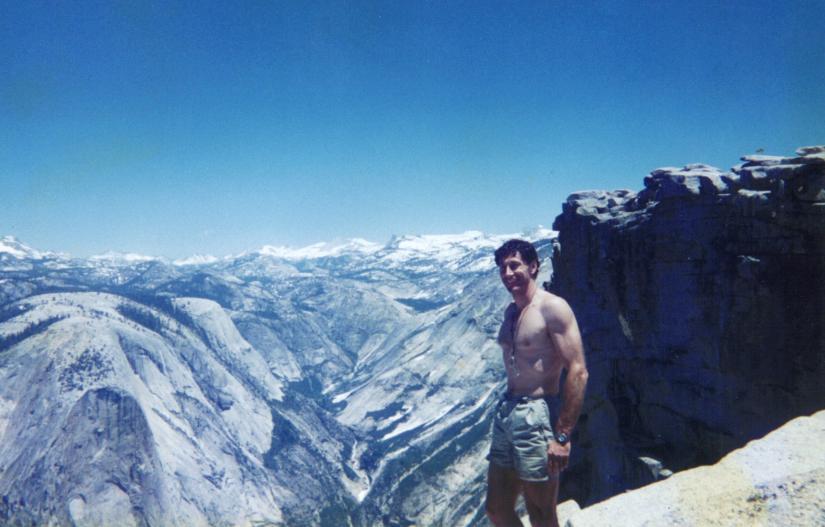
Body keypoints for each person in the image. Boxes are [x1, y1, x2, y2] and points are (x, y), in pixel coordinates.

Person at [485, 239, 588, 527]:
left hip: (538, 415)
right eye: (502, 267)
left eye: (514, 265)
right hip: (508, 412)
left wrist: (563, 436)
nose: (507, 273)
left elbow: (578, 370)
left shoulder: (553, 308)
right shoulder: (511, 312)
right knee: (496, 509)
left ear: (533, 266)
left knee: (541, 513)